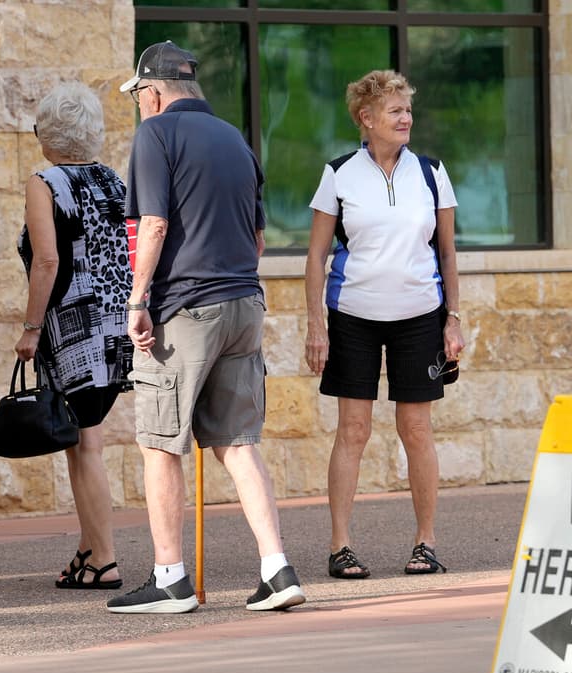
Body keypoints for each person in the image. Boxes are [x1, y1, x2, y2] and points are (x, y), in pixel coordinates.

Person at [107, 41, 305, 614]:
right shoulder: (233, 138)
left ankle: (170, 578)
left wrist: (137, 300)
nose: (139, 105)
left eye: (139, 95)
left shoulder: (156, 134)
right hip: (243, 303)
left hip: (185, 307)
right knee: (237, 444)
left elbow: (153, 223)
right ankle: (277, 569)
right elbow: (259, 236)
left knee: (159, 443)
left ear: (154, 90)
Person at [303, 69, 465, 580]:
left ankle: (426, 542)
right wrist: (315, 326)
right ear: (365, 118)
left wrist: (453, 319)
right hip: (353, 317)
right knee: (353, 429)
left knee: (416, 429)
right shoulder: (339, 173)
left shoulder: (432, 171)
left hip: (420, 317)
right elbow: (315, 258)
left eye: (408, 110)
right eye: (395, 110)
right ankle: (340, 546)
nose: (405, 118)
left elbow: (447, 252)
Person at [16, 82, 134, 591]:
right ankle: (88, 547)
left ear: (49, 133)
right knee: (87, 438)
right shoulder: (113, 179)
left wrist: (30, 328)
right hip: (114, 323)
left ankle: (104, 559)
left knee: (84, 444)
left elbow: (47, 260)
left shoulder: (45, 182)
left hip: (74, 329)